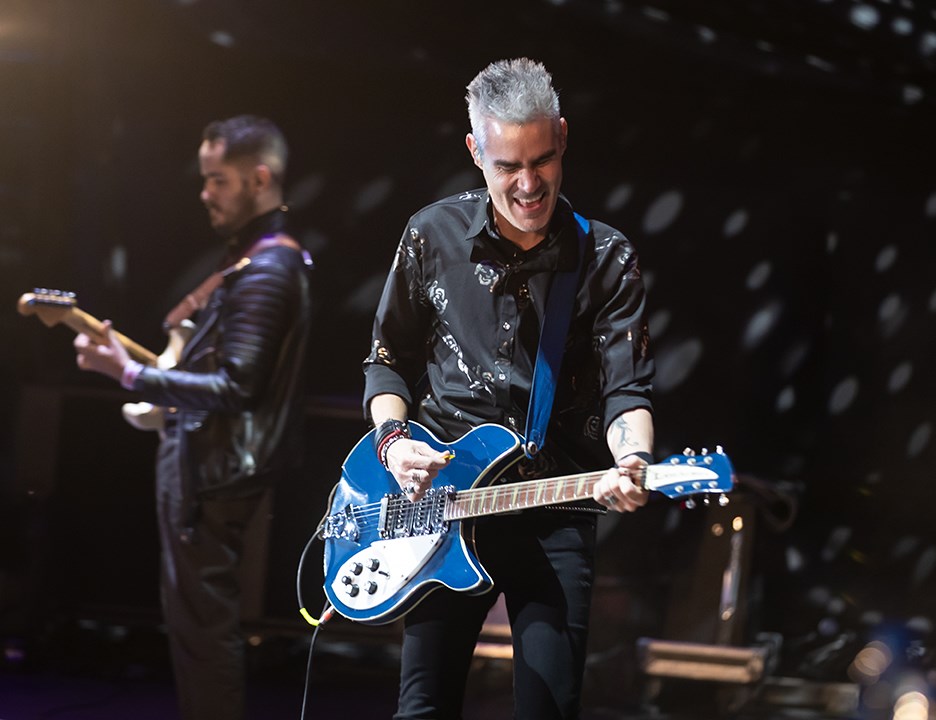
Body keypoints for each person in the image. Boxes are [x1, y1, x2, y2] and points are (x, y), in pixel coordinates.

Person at [363, 58, 655, 719]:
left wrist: (632, 461)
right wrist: (393, 444)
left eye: (543, 161)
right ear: (475, 150)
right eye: (507, 167)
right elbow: (385, 361)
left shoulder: (606, 259)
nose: (529, 185)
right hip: (443, 506)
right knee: (422, 708)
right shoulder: (429, 234)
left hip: (555, 507)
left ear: (562, 137)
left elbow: (626, 391)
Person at [72, 115, 312, 720]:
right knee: (196, 628)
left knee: (204, 631)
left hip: (213, 476)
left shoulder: (269, 270)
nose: (205, 193)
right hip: (208, 468)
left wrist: (127, 375)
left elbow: (237, 387)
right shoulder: (252, 264)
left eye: (219, 180)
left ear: (260, 179)